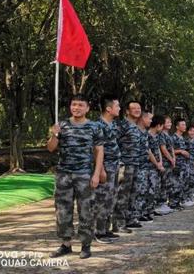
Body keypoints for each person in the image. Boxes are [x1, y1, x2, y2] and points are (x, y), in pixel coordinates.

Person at [47, 94, 104, 259]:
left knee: (86, 210)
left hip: (84, 174)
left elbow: (99, 151)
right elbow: (50, 148)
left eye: (80, 105)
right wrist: (54, 134)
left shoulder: (94, 127)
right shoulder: (62, 125)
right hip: (64, 174)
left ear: (87, 108)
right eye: (74, 105)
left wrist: (96, 173)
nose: (76, 108)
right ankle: (66, 244)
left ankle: (86, 245)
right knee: (63, 210)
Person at [94, 95, 121, 244]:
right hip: (105, 167)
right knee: (102, 198)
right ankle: (98, 231)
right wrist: (101, 169)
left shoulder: (113, 124)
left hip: (115, 165)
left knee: (111, 198)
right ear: (108, 109)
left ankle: (106, 228)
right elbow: (96, 149)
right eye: (117, 106)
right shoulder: (99, 125)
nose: (119, 108)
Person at [114, 100, 144, 232]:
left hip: (136, 164)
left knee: (133, 193)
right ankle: (119, 223)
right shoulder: (122, 125)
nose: (137, 110)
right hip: (125, 165)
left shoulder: (136, 127)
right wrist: (120, 163)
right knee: (122, 194)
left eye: (139, 108)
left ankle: (130, 219)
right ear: (127, 111)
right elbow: (114, 143)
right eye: (134, 108)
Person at [131, 112, 156, 223]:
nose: (151, 121)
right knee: (136, 192)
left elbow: (147, 150)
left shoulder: (145, 132)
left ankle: (139, 213)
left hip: (144, 166)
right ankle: (133, 216)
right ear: (143, 118)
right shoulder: (134, 130)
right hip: (136, 165)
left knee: (143, 190)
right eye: (150, 119)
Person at [144, 115, 166, 218]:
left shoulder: (157, 136)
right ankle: (145, 211)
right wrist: (157, 164)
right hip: (149, 166)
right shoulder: (147, 135)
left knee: (155, 188)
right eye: (162, 126)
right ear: (158, 126)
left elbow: (158, 150)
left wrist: (160, 162)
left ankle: (151, 209)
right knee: (149, 189)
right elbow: (149, 152)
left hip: (156, 166)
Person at [157, 116, 177, 213]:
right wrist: (171, 159)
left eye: (170, 122)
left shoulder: (168, 135)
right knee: (163, 183)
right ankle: (161, 204)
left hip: (169, 162)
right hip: (165, 162)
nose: (169, 124)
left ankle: (165, 203)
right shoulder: (161, 135)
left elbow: (171, 148)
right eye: (167, 122)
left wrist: (173, 158)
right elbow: (163, 149)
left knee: (168, 183)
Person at [172, 118, 194, 207]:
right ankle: (174, 202)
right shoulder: (173, 137)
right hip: (177, 164)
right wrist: (180, 151)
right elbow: (169, 150)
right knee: (176, 183)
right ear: (177, 126)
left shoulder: (182, 138)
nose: (184, 126)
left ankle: (182, 200)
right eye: (182, 125)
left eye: (185, 124)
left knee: (184, 182)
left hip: (184, 164)